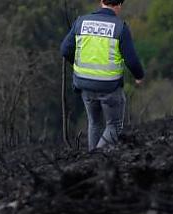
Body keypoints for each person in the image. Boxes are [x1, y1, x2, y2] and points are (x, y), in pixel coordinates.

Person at [60, 0, 145, 152]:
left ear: (101, 2)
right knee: (114, 125)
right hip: (109, 86)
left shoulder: (81, 22)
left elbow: (65, 50)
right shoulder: (120, 27)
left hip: (84, 83)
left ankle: (92, 159)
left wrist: (77, 65)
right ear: (119, 5)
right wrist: (139, 76)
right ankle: (97, 158)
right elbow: (131, 60)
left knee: (94, 123)